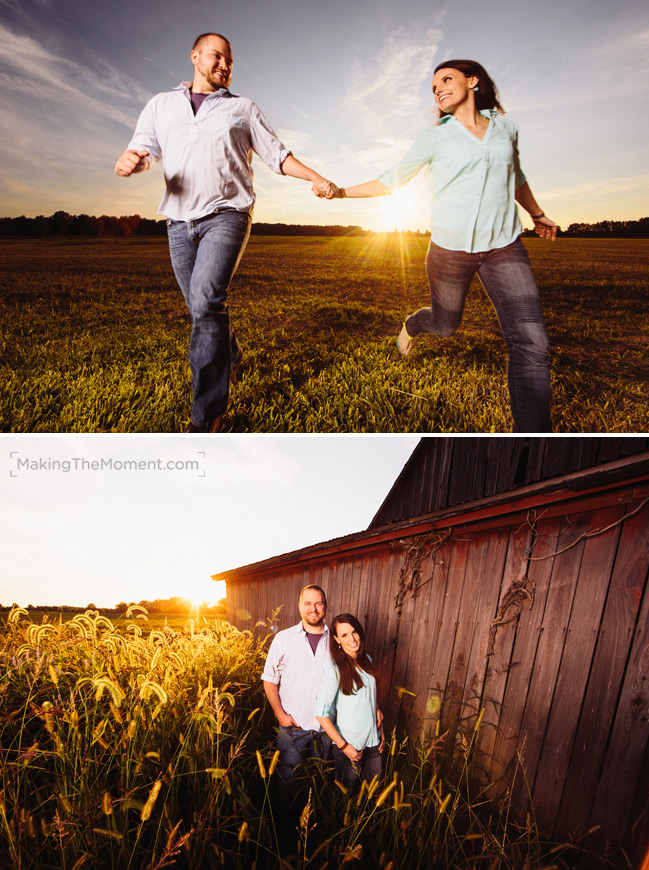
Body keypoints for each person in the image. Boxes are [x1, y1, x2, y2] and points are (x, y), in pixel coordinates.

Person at [317, 59, 557, 433]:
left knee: (532, 343)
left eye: (447, 80)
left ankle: (534, 436)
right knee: (446, 327)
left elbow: (517, 176)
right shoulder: (434, 138)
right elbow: (391, 180)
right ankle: (416, 322)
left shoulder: (506, 128)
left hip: (504, 246)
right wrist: (341, 193)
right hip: (449, 251)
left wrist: (537, 214)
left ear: (472, 81)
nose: (439, 89)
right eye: (433, 87)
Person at [115, 33, 337, 433]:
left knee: (205, 301)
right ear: (195, 57)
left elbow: (278, 155)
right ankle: (231, 355)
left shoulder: (243, 108)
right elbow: (145, 149)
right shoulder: (160, 105)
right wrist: (133, 160)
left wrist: (318, 178)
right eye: (217, 56)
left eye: (230, 60)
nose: (224, 65)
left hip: (228, 215)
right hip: (178, 222)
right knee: (203, 309)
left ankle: (207, 414)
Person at [262, 585, 333, 788]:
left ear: (325, 606)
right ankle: (284, 821)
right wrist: (280, 715)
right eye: (308, 603)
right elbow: (269, 679)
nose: (313, 608)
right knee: (285, 787)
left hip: (326, 729)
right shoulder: (283, 639)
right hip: (293, 729)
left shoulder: (337, 640)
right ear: (299, 606)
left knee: (319, 787)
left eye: (318, 603)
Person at [314, 613, 384, 792]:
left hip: (373, 741)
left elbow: (368, 694)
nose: (352, 639)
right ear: (336, 639)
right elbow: (320, 713)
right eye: (344, 635)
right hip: (351, 745)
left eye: (354, 632)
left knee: (373, 791)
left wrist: (378, 715)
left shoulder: (366, 659)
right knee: (346, 794)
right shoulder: (335, 669)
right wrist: (344, 746)